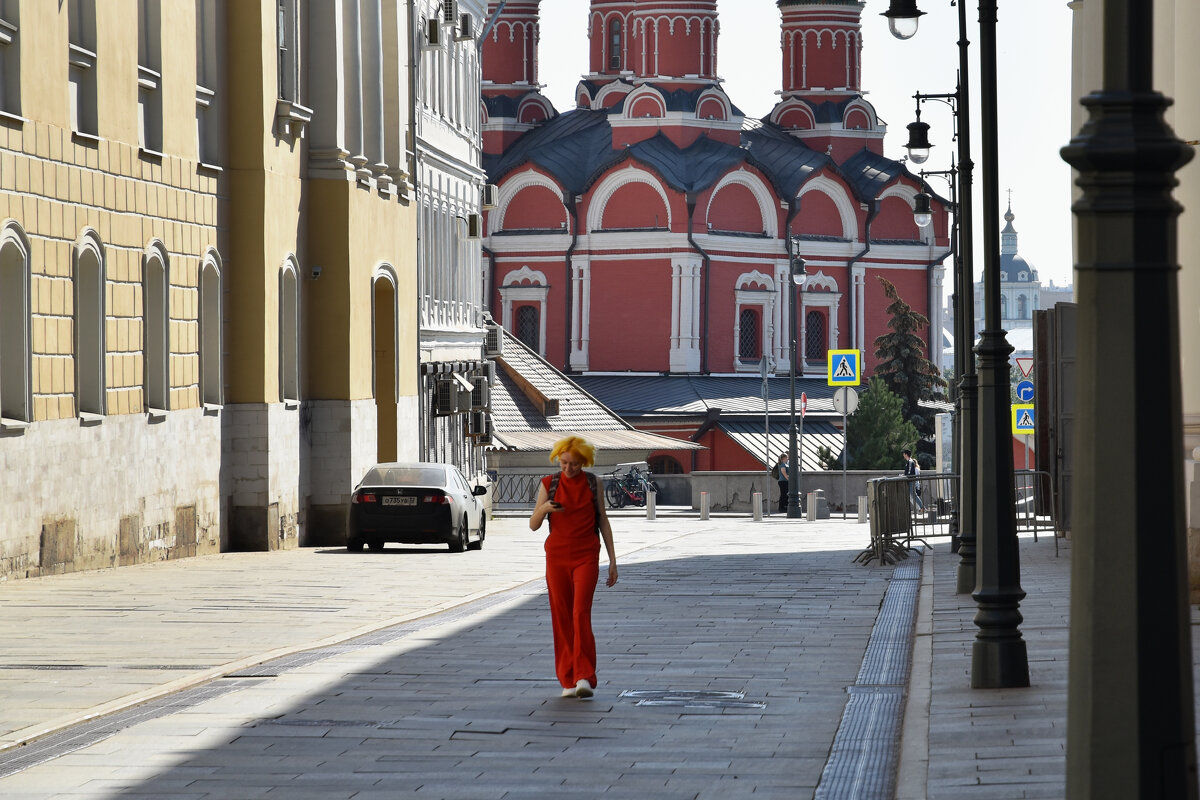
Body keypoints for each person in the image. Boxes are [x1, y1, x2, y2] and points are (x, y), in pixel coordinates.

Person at [530, 436, 618, 699]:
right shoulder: (549, 483)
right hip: (556, 558)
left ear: (584, 463)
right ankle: (567, 680)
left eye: (576, 465)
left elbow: (603, 520)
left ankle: (584, 677)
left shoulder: (594, 483)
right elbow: (534, 524)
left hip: (586, 556)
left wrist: (613, 561)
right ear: (558, 459)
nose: (569, 469)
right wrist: (545, 508)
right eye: (565, 463)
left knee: (580, 613)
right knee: (561, 618)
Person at [902, 448, 924, 513]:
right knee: (912, 495)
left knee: (913, 495)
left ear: (906, 454)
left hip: (910, 481)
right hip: (910, 481)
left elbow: (909, 473)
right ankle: (920, 508)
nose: (903, 455)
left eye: (904, 454)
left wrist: (905, 476)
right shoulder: (910, 462)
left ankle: (921, 507)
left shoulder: (910, 462)